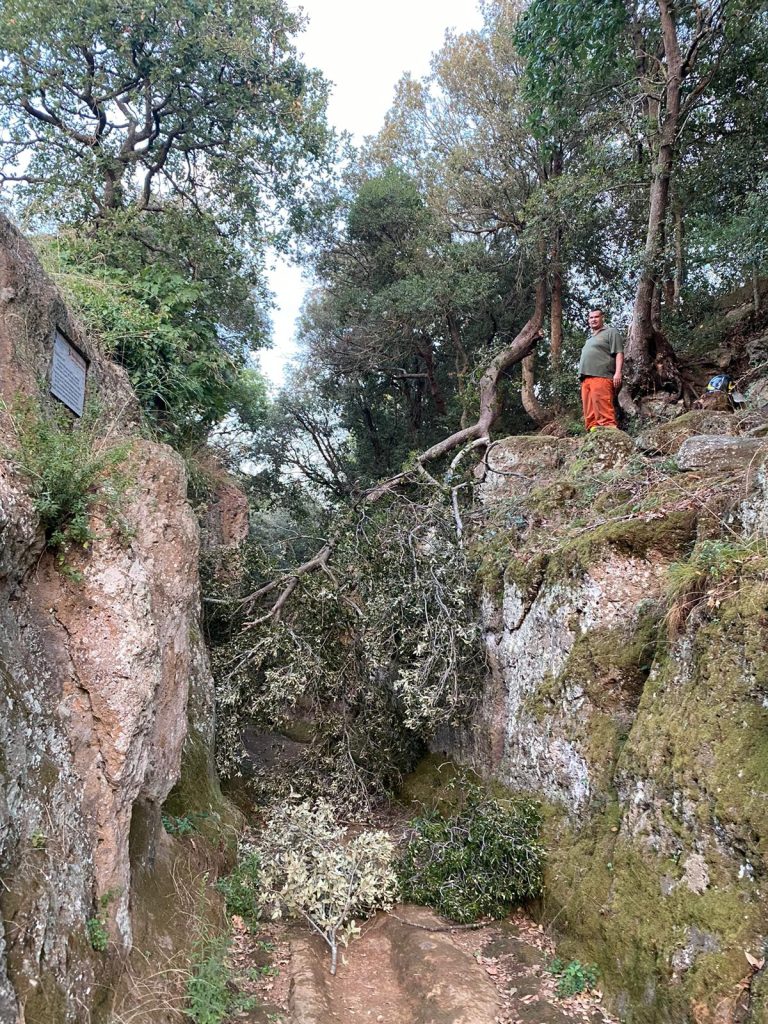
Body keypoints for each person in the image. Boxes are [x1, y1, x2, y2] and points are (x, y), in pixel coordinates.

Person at [578, 308, 624, 430]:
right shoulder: (590, 339)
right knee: (590, 413)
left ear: (602, 318)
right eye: (591, 317)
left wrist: (618, 372)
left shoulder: (611, 332)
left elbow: (619, 352)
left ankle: (609, 432)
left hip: (602, 376)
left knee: (603, 408)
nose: (593, 320)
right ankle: (594, 435)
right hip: (585, 378)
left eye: (596, 317)